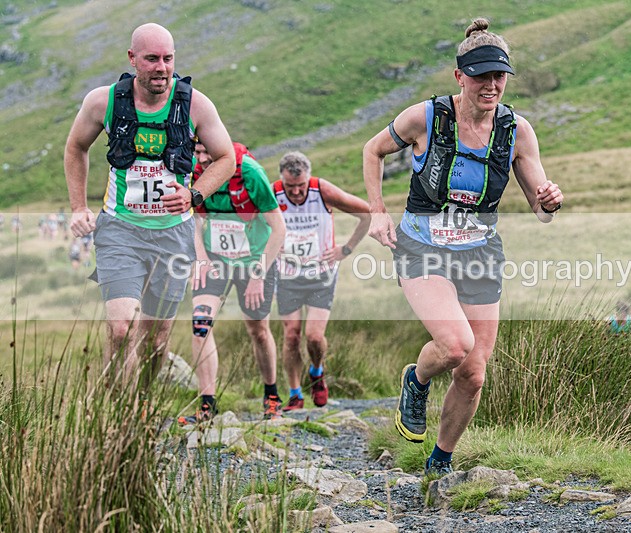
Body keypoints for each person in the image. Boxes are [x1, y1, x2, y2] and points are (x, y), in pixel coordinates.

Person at [363, 18, 563, 476]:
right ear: (460, 76)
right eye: (480, 75)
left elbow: (541, 207)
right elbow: (372, 150)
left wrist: (552, 199)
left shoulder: (517, 131)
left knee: (473, 373)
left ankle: (440, 464)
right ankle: (415, 381)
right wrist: (377, 211)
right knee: (454, 346)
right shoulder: (426, 117)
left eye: (499, 75)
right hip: (422, 246)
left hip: (480, 253)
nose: (490, 85)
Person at [64, 23, 235, 386]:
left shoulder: (196, 104)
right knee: (121, 327)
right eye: (152, 59)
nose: (161, 67)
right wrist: (79, 207)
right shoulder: (103, 101)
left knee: (156, 340)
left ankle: (142, 405)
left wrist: (194, 194)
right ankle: (114, 413)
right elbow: (76, 147)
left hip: (174, 234)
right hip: (120, 230)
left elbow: (226, 159)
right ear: (132, 59)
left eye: (168, 59)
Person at [178, 142, 286, 424]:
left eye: (206, 153)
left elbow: (279, 228)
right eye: (196, 152)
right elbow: (196, 221)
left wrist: (258, 275)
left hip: (255, 259)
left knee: (258, 330)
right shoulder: (195, 170)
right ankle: (207, 404)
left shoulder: (250, 173)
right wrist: (200, 257)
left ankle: (271, 395)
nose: (200, 159)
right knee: (200, 323)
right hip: (216, 259)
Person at [274, 151, 370, 410]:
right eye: (290, 186)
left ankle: (317, 372)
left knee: (314, 337)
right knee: (291, 336)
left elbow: (367, 214)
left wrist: (346, 249)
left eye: (300, 186)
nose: (295, 192)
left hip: (321, 275)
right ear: (282, 180)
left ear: (309, 178)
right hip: (287, 275)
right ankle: (295, 394)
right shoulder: (273, 193)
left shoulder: (322, 190)